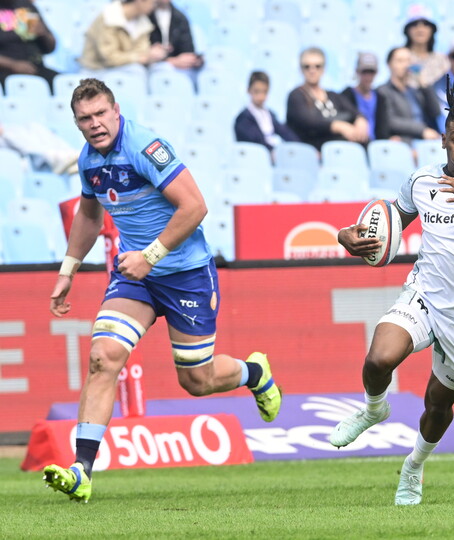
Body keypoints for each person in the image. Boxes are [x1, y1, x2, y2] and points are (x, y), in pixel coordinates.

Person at [42, 78, 282, 502]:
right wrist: (68, 269)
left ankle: (254, 372)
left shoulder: (146, 147)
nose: (95, 124)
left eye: (101, 114)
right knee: (103, 358)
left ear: (116, 111)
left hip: (186, 273)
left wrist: (150, 255)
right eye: (85, 118)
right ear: (76, 123)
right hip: (136, 278)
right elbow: (89, 214)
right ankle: (82, 470)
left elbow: (195, 205)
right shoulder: (87, 161)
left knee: (197, 380)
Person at [330, 79, 454, 506]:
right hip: (424, 295)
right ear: (444, 141)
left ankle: (414, 467)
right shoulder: (421, 180)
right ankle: (374, 409)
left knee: (437, 405)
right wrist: (346, 237)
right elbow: (384, 226)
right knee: (379, 358)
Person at [286, 47, 369, 152]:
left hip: (341, 147)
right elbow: (308, 122)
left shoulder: (333, 95)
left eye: (317, 66)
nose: (312, 70)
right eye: (307, 66)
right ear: (301, 69)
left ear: (323, 69)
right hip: (314, 150)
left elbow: (355, 112)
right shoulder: (296, 95)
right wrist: (338, 126)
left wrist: (360, 120)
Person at [79, 0, 168, 79]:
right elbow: (109, 57)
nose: (154, 7)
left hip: (125, 67)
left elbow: (141, 53)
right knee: (136, 71)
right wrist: (140, 57)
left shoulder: (143, 23)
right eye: (153, 2)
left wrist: (151, 55)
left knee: (162, 69)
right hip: (97, 70)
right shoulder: (108, 17)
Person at [375, 47, 441, 142]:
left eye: (408, 61)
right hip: (403, 142)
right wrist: (421, 130)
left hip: (425, 142)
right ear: (389, 65)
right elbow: (389, 121)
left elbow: (435, 113)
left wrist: (424, 85)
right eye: (400, 61)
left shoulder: (416, 92)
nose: (405, 65)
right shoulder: (383, 91)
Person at [234, 71, 300, 156]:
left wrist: (299, 145)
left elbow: (285, 133)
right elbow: (256, 141)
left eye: (264, 92)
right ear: (249, 91)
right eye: (257, 91)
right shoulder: (243, 119)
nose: (261, 97)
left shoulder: (269, 114)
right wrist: (274, 151)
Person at [0, 0, 58, 91]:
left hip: (36, 69)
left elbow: (51, 48)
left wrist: (43, 33)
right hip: (4, 72)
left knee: (62, 84)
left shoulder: (26, 6)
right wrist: (13, 65)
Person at [147, 0, 203, 81]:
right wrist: (169, 61)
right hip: (151, 64)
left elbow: (187, 49)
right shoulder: (145, 15)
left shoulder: (180, 18)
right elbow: (141, 51)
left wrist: (192, 60)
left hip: (176, 66)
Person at [402, 4, 446, 89]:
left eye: (425, 24)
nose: (420, 29)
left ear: (432, 30)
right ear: (407, 30)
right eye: (414, 24)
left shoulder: (442, 60)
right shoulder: (401, 58)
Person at [340, 52, 379, 142]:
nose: (368, 76)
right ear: (357, 71)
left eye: (371, 72)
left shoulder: (380, 97)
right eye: (364, 72)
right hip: (355, 143)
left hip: (376, 145)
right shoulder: (347, 95)